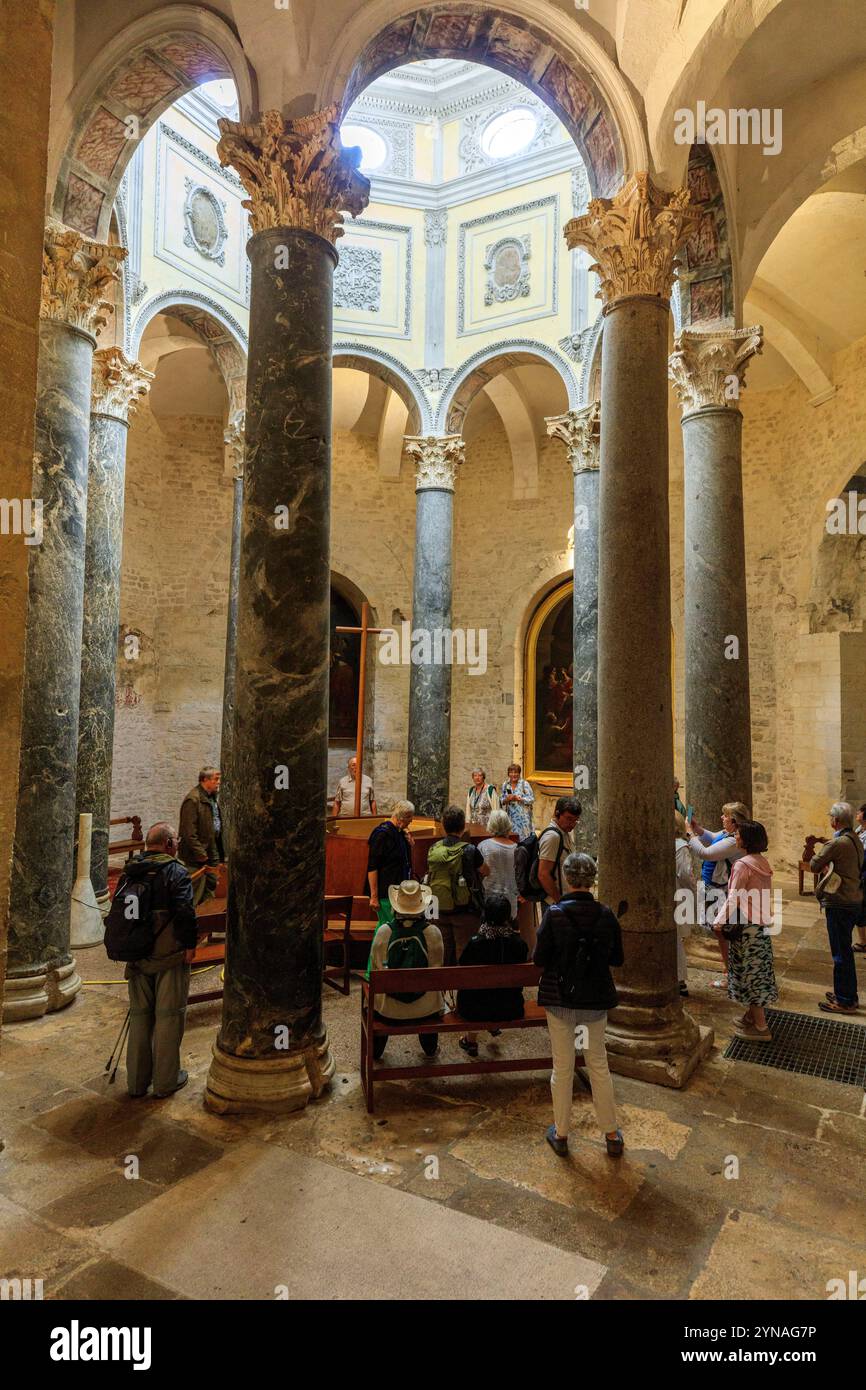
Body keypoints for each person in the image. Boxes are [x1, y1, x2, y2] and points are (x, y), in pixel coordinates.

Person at [534, 853, 624, 1158]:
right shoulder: (607, 914)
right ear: (592, 878)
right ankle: (611, 1134)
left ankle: (560, 1133)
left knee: (563, 1065)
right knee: (598, 1063)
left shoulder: (555, 914)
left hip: (561, 999)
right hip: (595, 999)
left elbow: (539, 959)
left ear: (567, 878)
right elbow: (617, 959)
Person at [122, 822, 198, 1098]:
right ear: (168, 844)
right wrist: (190, 945)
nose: (177, 844)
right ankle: (166, 1081)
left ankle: (137, 1083)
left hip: (137, 956)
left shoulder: (130, 873)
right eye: (176, 840)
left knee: (140, 1017)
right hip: (168, 956)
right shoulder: (175, 872)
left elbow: (124, 917)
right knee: (168, 1017)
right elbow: (186, 912)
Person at [714, 820, 778, 1041]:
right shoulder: (761, 861)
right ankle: (750, 1017)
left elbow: (734, 897)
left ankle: (761, 1028)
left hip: (746, 926)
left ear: (747, 840)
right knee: (757, 971)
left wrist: (719, 921)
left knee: (751, 976)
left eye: (739, 835)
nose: (736, 838)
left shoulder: (742, 865)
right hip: (759, 926)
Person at [368, 880, 444, 1059]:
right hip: (426, 1009)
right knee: (430, 993)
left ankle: (376, 1052)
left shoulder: (383, 933)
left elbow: (376, 967)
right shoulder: (433, 933)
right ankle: (430, 1049)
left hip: (389, 1011)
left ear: (396, 906)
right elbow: (437, 968)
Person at [456, 892, 528, 1057]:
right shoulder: (519, 944)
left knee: (474, 994)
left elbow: (462, 972)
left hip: (474, 1010)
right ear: (507, 917)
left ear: (485, 915)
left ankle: (471, 1040)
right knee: (494, 994)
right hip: (511, 1006)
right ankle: (493, 1026)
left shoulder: (475, 943)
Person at [688, 801, 751, 987]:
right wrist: (697, 828)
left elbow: (706, 853)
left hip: (723, 890)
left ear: (733, 821)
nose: (721, 818)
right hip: (715, 886)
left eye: (725, 816)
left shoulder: (734, 841)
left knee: (723, 932)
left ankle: (732, 974)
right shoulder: (728, 834)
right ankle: (729, 970)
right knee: (721, 932)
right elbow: (712, 838)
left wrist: (688, 834)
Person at [810, 802, 864, 1014]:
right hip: (853, 900)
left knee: (841, 954)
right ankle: (847, 993)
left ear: (836, 820)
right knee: (844, 951)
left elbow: (814, 864)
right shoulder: (855, 839)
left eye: (831, 817)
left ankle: (845, 1001)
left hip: (840, 902)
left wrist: (825, 857)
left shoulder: (838, 842)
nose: (830, 820)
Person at [179, 766, 223, 906]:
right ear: (205, 779)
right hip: (196, 854)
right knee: (196, 889)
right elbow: (188, 832)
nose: (218, 782)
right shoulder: (193, 800)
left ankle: (206, 916)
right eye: (216, 779)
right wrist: (201, 854)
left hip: (211, 848)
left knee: (211, 886)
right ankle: (194, 918)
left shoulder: (211, 798)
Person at [367, 800, 414, 926]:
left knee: (391, 928)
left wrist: (409, 844)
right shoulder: (381, 834)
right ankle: (377, 946)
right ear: (403, 818)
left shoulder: (399, 832)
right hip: (384, 893)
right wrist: (374, 896)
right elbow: (372, 867)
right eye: (410, 819)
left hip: (397, 891)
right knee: (387, 928)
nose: (411, 822)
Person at [537, 796, 582, 904]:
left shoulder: (564, 833)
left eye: (575, 820)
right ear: (557, 813)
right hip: (555, 903)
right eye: (569, 819)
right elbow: (543, 874)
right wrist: (559, 901)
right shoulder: (553, 837)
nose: (572, 824)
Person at [674, 810, 695, 996]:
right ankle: (679, 979)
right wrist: (695, 891)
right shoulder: (681, 847)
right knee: (676, 938)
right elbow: (686, 874)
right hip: (678, 894)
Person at [500, 762, 535, 839]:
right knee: (511, 840)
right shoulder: (505, 785)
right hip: (510, 820)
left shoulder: (524, 784)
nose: (513, 774)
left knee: (524, 842)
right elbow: (501, 800)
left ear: (519, 773)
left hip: (523, 820)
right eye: (511, 772)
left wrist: (520, 799)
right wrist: (506, 799)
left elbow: (531, 799)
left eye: (516, 772)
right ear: (508, 774)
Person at [854, 802, 866, 954]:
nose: (857, 813)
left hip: (863, 875)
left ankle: (864, 942)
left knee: (862, 908)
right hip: (858, 874)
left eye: (860, 812)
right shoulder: (859, 830)